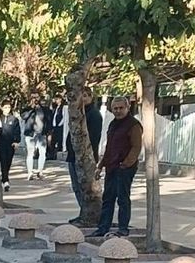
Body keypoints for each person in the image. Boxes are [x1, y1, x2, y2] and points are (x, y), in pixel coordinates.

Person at [93, 97, 142, 237]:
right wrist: (100, 166)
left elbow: (136, 147)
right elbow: (109, 147)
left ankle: (123, 228)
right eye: (115, 108)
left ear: (127, 107)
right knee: (108, 198)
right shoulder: (113, 124)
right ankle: (103, 228)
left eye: (121, 108)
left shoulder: (133, 125)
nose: (118, 111)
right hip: (111, 166)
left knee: (123, 199)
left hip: (125, 168)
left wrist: (126, 164)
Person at [63, 91, 104, 226]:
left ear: (91, 97)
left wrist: (87, 156)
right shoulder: (78, 113)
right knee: (77, 187)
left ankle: (91, 216)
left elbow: (93, 138)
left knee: (86, 188)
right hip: (73, 156)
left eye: (85, 95)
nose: (83, 98)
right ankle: (83, 213)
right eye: (80, 96)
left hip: (85, 158)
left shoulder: (94, 115)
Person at [21, 94, 53, 180]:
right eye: (33, 98)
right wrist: (31, 108)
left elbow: (48, 121)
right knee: (30, 153)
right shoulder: (27, 109)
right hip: (31, 134)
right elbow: (24, 117)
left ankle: (40, 171)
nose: (35, 99)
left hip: (42, 134)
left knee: (42, 153)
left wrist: (49, 134)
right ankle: (30, 172)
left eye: (37, 97)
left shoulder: (44, 109)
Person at [0, 100, 21, 192]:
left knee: (8, 161)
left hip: (10, 143)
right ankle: (5, 180)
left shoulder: (14, 119)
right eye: (5, 107)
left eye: (9, 107)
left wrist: (16, 141)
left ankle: (4, 176)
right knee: (3, 160)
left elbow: (17, 131)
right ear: (2, 108)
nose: (7, 109)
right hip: (1, 142)